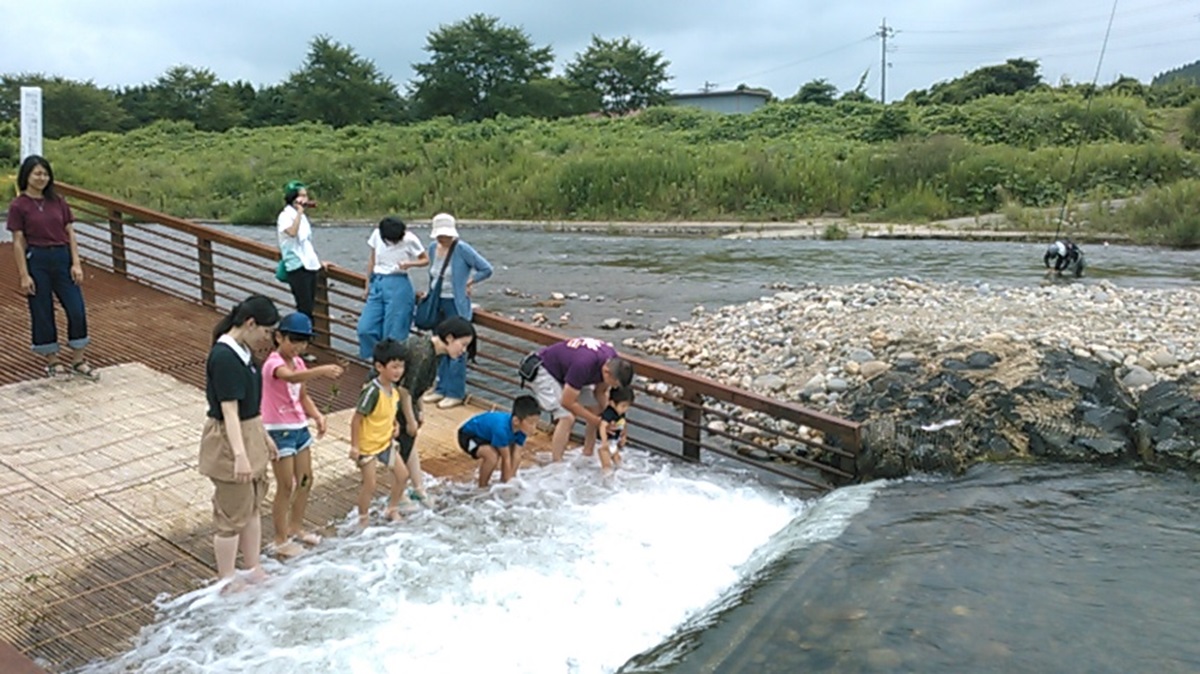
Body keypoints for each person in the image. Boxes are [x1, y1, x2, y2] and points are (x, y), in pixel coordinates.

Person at [198, 295, 280, 586]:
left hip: (250, 430)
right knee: (231, 514)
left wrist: (263, 437)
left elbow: (249, 409)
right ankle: (227, 577)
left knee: (252, 504)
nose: (268, 339)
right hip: (230, 438)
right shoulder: (224, 356)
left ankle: (253, 565)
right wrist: (240, 455)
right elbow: (229, 411)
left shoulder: (244, 352)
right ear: (250, 323)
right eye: (267, 332)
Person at [6, 155, 98, 380]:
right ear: (26, 175)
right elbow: (18, 241)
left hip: (61, 257)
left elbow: (70, 233)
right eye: (37, 173)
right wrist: (24, 274)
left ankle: (78, 359)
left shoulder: (58, 201)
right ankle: (53, 360)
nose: (42, 178)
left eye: (45, 174)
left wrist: (76, 263)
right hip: (37, 259)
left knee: (76, 308)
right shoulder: (19, 205)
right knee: (42, 309)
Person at [261, 312, 345, 557]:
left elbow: (302, 395)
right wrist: (321, 370)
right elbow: (290, 378)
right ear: (279, 337)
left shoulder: (298, 362)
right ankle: (280, 539)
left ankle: (295, 526)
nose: (298, 347)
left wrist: (317, 416)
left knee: (306, 479)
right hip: (278, 429)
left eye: (303, 342)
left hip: (299, 427)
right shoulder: (273, 363)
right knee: (286, 485)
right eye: (294, 340)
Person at [394, 316, 478, 507]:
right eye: (463, 344)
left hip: (405, 397)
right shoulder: (423, 354)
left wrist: (420, 411)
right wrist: (410, 420)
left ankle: (418, 489)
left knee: (408, 444)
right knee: (400, 447)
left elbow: (418, 387)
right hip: (390, 397)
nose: (463, 350)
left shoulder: (433, 352)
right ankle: (399, 494)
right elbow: (404, 390)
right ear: (449, 338)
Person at [419, 213, 493, 409]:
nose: (443, 238)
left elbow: (486, 269)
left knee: (458, 350)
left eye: (446, 235)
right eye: (440, 235)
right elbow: (434, 275)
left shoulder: (462, 249)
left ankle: (455, 392)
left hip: (455, 304)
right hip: (438, 303)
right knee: (440, 346)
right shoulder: (433, 248)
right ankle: (440, 388)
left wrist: (470, 282)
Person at [523, 337, 635, 462]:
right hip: (544, 369)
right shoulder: (583, 364)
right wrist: (598, 422)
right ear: (606, 372)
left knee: (595, 409)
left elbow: (600, 392)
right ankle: (557, 463)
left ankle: (587, 453)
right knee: (567, 417)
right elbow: (567, 402)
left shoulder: (612, 360)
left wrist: (617, 420)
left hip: (568, 373)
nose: (613, 387)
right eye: (614, 384)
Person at [349, 338, 411, 525]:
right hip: (367, 446)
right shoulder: (372, 391)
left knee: (402, 475)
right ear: (379, 367)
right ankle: (363, 518)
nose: (399, 371)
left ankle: (392, 508)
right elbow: (356, 419)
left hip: (385, 442)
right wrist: (355, 446)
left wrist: (395, 424)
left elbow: (390, 411)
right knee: (370, 484)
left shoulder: (394, 390)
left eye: (401, 366)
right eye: (394, 367)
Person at [356, 216, 429, 361]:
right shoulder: (377, 234)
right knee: (365, 328)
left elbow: (425, 259)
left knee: (394, 332)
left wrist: (409, 264)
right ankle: (375, 359)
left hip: (399, 283)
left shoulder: (410, 239)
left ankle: (391, 364)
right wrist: (367, 284)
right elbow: (372, 259)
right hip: (378, 282)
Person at [276, 180, 323, 351]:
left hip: (310, 265)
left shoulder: (302, 217)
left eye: (306, 195)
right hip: (296, 266)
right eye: (301, 195)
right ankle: (300, 345)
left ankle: (304, 345)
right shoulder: (285, 216)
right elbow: (292, 232)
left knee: (310, 306)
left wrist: (319, 262)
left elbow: (306, 243)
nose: (305, 198)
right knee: (304, 308)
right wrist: (299, 213)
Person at [457, 395, 541, 488]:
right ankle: (482, 486)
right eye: (531, 423)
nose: (534, 428)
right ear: (516, 421)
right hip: (468, 436)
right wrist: (507, 482)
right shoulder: (501, 429)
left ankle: (503, 482)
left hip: (487, 436)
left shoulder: (522, 430)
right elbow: (506, 458)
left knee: (511, 452)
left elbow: (516, 455)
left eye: (536, 423)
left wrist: (511, 479)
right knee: (492, 456)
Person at [597, 385, 635, 470]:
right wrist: (604, 441)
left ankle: (620, 473)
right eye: (623, 406)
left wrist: (624, 436)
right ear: (612, 403)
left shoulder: (620, 412)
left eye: (628, 406)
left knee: (618, 460)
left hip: (613, 441)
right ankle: (607, 475)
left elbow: (624, 423)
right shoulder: (609, 413)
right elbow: (602, 426)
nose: (625, 409)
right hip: (603, 443)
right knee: (606, 465)